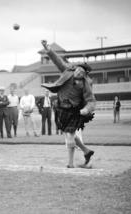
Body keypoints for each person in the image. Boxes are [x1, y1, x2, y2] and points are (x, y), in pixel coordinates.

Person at [41, 40, 95, 168]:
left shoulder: (85, 84)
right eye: (78, 70)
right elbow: (57, 61)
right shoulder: (67, 71)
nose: (79, 73)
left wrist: (86, 110)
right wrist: (48, 49)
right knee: (70, 135)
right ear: (76, 69)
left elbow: (91, 101)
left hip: (74, 112)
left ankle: (70, 163)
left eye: (82, 73)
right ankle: (86, 151)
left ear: (84, 76)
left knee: (70, 136)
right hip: (61, 110)